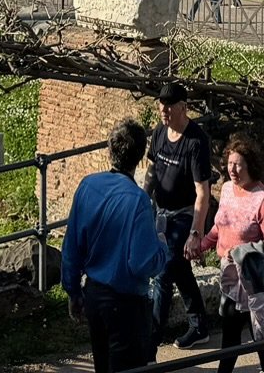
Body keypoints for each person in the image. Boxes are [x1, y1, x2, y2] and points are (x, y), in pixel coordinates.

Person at [62, 118, 170, 373]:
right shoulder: (138, 201)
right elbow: (142, 263)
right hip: (126, 306)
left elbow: (71, 247)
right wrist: (162, 248)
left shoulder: (87, 185)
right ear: (141, 157)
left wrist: (74, 292)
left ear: (109, 151)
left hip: (94, 296)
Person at [185, 134, 264, 373]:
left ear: (250, 165)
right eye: (230, 164)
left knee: (260, 336)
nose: (232, 170)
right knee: (230, 335)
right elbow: (220, 227)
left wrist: (263, 283)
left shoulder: (263, 199)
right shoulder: (227, 189)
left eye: (238, 165)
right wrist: (202, 245)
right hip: (230, 277)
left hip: (252, 280)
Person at [145, 82, 214, 349]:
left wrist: (195, 233)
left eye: (169, 106)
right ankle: (199, 326)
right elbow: (151, 171)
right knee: (179, 267)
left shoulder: (196, 142)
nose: (164, 110)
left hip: (184, 214)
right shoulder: (159, 132)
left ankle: (152, 336)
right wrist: (141, 202)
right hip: (160, 211)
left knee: (164, 269)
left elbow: (203, 193)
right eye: (161, 105)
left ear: (183, 107)